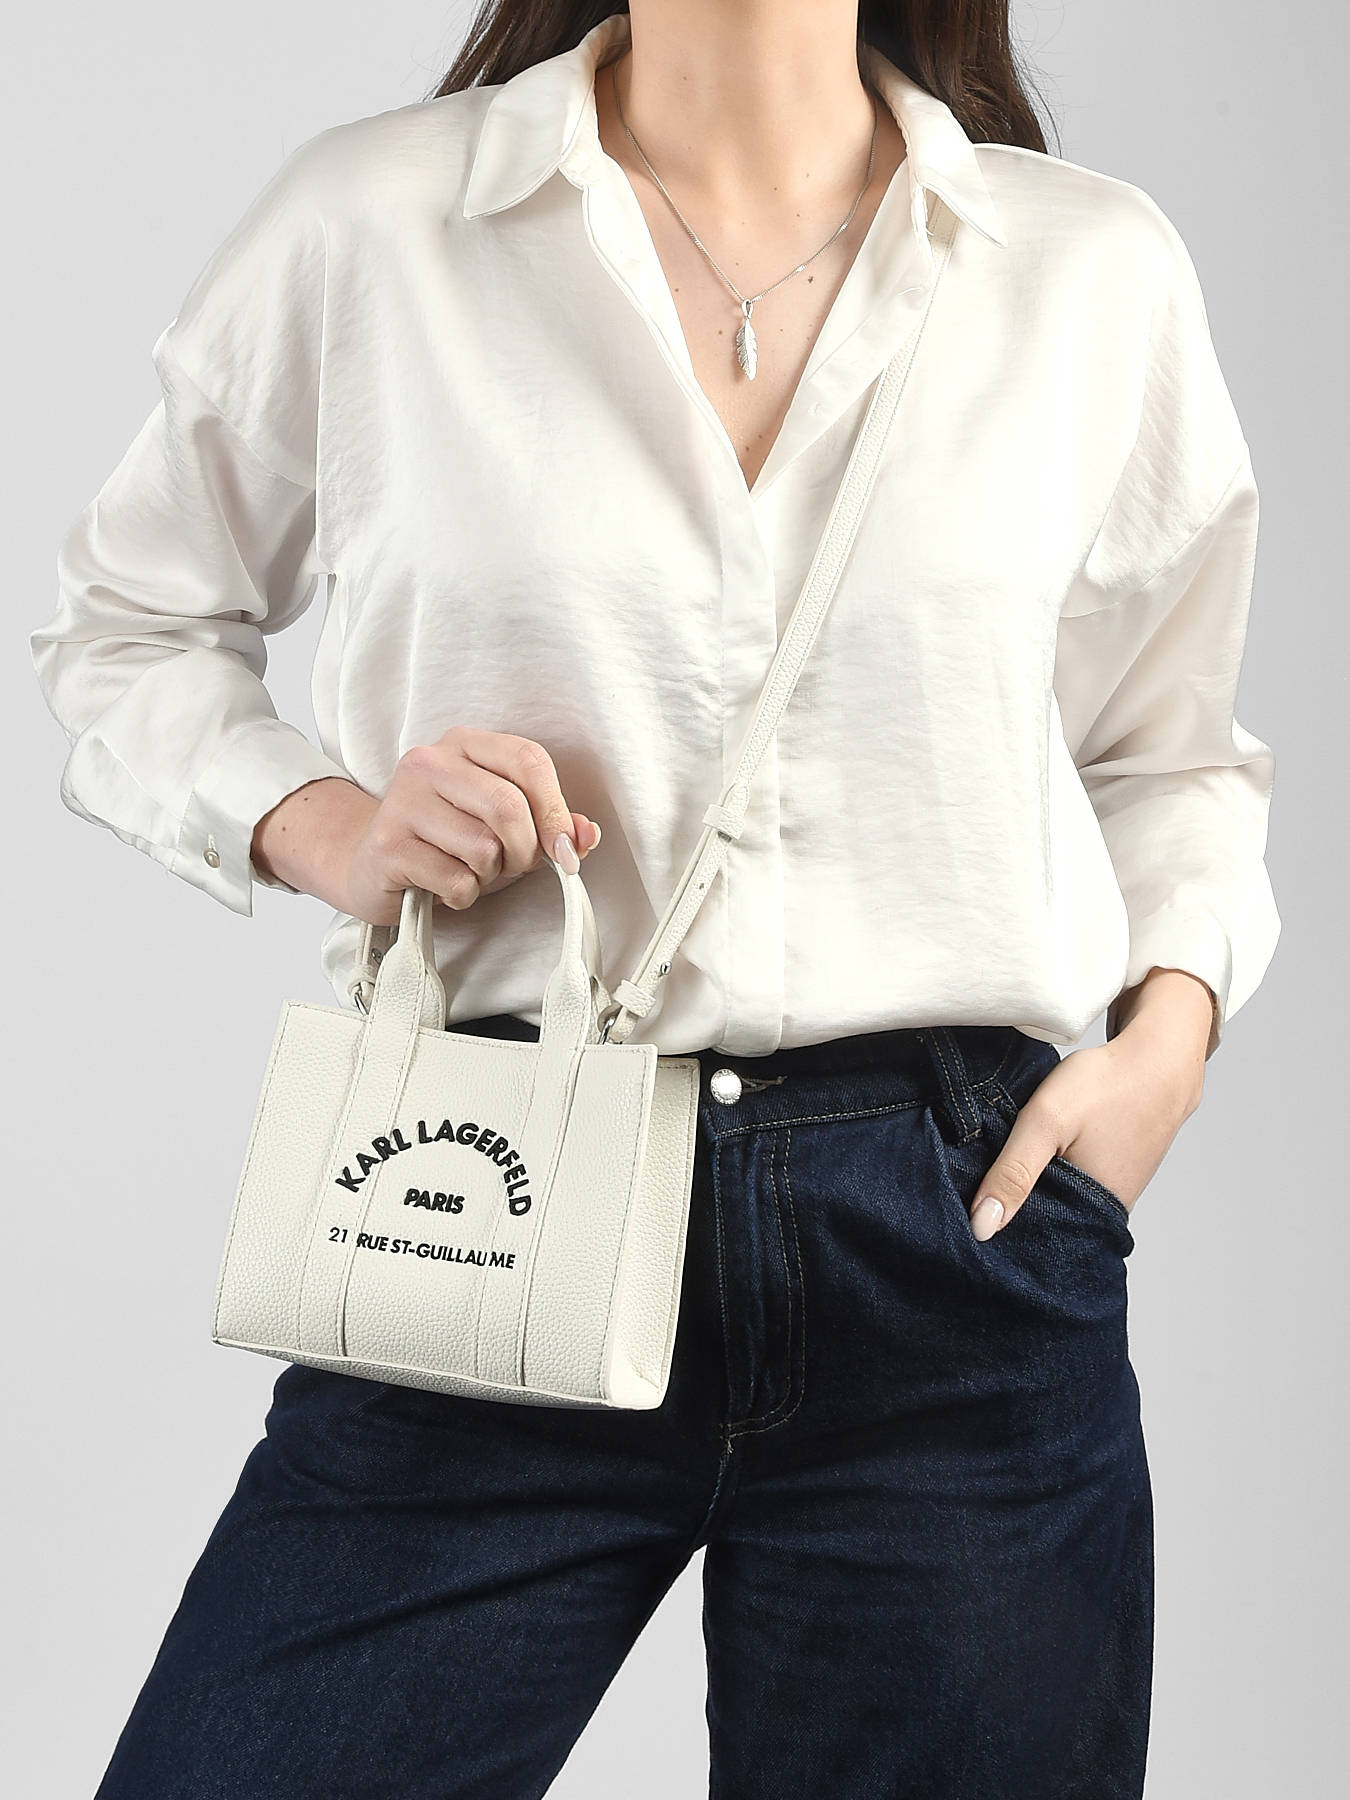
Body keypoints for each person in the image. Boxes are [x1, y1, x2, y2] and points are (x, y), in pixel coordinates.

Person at [30, 4, 1280, 1795]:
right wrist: (327, 822)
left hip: (953, 1234)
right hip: (494, 1187)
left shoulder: (1081, 267)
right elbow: (128, 627)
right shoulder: (378, 226)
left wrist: (1165, 1043)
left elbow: (1166, 752)